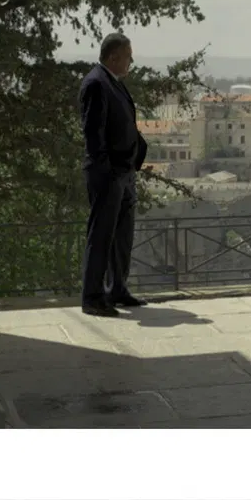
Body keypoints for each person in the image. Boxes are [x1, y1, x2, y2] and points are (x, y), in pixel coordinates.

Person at [78, 32, 150, 317]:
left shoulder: (113, 82)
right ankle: (92, 297)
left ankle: (117, 289)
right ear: (113, 57)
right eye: (128, 56)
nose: (131, 61)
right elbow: (93, 134)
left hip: (124, 173)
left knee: (122, 236)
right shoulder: (97, 83)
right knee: (101, 236)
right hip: (109, 175)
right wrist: (107, 170)